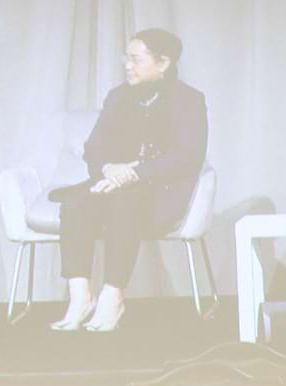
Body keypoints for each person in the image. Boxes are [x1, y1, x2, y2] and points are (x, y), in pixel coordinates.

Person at [48, 28, 207, 333]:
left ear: (163, 62)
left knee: (123, 201)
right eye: (127, 58)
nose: (127, 65)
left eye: (136, 59)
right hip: (115, 185)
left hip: (160, 192)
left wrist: (134, 173)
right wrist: (109, 168)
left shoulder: (189, 100)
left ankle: (113, 296)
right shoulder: (118, 96)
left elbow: (188, 156)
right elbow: (94, 147)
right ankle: (80, 298)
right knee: (75, 203)